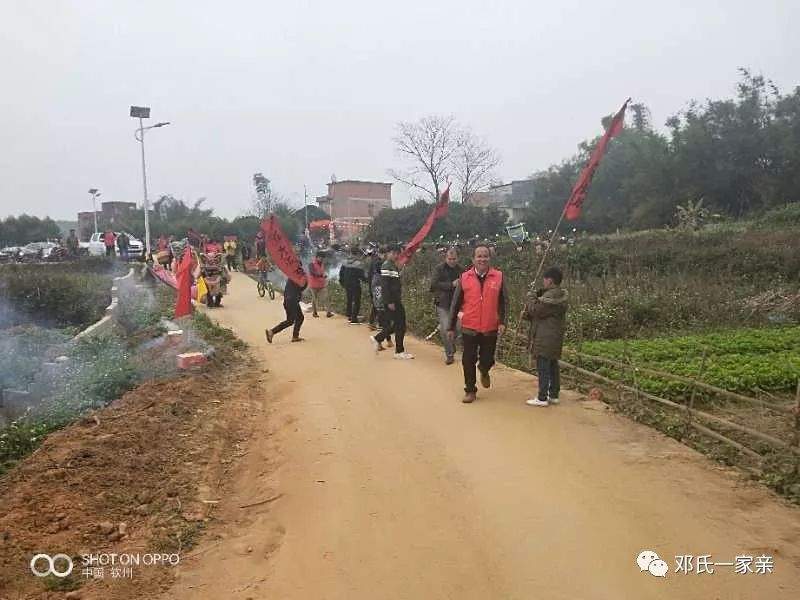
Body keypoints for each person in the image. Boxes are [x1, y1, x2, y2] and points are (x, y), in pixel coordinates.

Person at [448, 244, 508, 403]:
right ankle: (470, 390)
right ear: (473, 259)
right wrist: (451, 326)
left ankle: (484, 369)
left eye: (485, 256)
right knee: (468, 359)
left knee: (487, 359)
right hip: (469, 326)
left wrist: (502, 321)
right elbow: (456, 302)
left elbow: (503, 302)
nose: (482, 259)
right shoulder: (465, 277)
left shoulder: (499, 276)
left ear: (490, 258)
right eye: (479, 256)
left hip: (490, 327)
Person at [524, 266, 568, 407]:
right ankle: (553, 394)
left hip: (545, 336)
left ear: (549, 280)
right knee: (553, 365)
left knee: (543, 367)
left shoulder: (550, 298)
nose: (543, 282)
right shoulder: (559, 296)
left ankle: (542, 397)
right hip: (554, 336)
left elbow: (537, 310)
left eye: (545, 279)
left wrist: (530, 298)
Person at [372, 244, 412, 359]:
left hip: (395, 299)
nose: (396, 255)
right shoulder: (386, 266)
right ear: (388, 253)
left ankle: (378, 338)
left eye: (397, 253)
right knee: (400, 325)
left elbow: (395, 281)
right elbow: (385, 285)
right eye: (393, 253)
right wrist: (389, 301)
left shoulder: (392, 265)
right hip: (391, 300)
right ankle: (399, 351)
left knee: (399, 325)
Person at [430, 247, 464, 364]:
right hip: (443, 304)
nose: (452, 261)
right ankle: (449, 354)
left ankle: (451, 344)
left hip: (457, 305)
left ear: (458, 258)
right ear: (446, 258)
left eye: (454, 259)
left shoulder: (461, 270)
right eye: (450, 259)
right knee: (445, 329)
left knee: (459, 327)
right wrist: (451, 285)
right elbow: (433, 285)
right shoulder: (439, 269)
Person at [265, 272, 308, 343]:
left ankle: (294, 336)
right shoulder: (300, 278)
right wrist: (306, 281)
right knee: (292, 320)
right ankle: (272, 332)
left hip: (288, 301)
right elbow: (302, 287)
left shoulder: (292, 276)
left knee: (297, 318)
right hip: (292, 301)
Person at [368, 246, 393, 350]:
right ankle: (380, 340)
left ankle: (387, 341)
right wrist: (380, 305)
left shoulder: (377, 276)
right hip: (382, 302)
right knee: (386, 322)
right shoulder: (378, 279)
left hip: (381, 301)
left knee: (386, 322)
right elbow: (378, 294)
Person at [339, 247, 367, 324]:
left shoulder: (344, 262)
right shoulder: (358, 263)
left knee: (349, 299)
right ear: (357, 254)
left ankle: (349, 316)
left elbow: (341, 273)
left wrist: (342, 282)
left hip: (347, 284)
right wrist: (367, 281)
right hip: (355, 284)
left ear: (350, 252)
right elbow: (362, 276)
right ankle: (354, 318)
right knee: (357, 301)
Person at [308, 252, 333, 318]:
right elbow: (312, 272)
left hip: (322, 284)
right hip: (313, 285)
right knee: (314, 299)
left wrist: (324, 276)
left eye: (323, 258)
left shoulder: (322, 264)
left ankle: (328, 312)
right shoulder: (311, 264)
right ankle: (314, 312)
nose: (321, 259)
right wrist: (321, 275)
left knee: (326, 297)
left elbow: (322, 271)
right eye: (320, 257)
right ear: (317, 257)